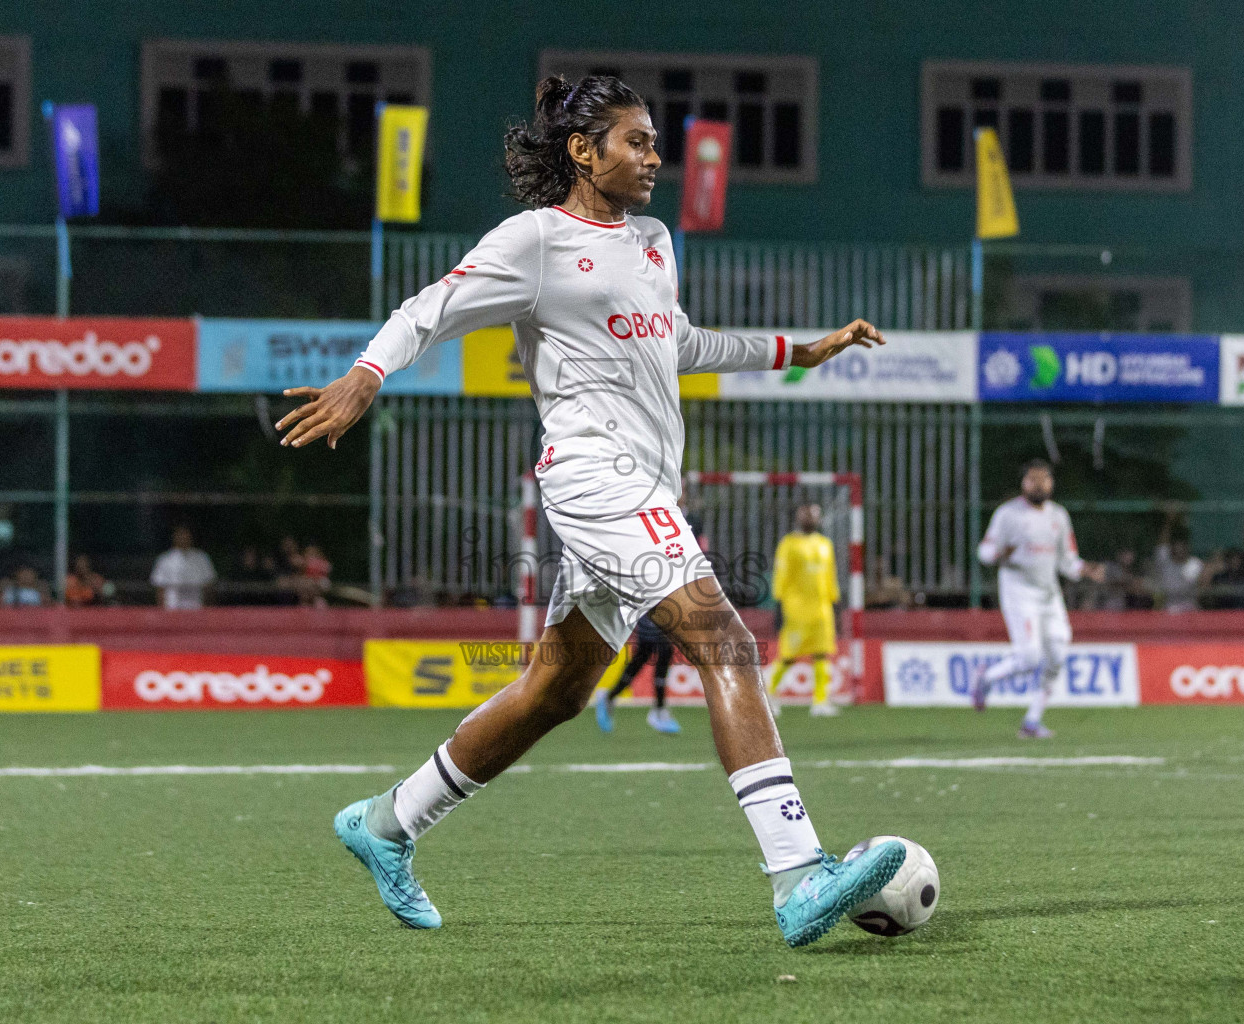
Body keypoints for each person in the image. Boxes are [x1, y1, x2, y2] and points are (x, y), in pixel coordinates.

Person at [275, 74, 903, 948]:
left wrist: (805, 348)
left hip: (644, 482)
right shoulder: (535, 241)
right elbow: (429, 309)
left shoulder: (650, 239)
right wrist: (364, 375)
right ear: (583, 150)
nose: (655, 158)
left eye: (654, 142)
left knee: (555, 691)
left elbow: (680, 342)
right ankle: (800, 874)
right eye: (637, 142)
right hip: (593, 477)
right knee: (724, 639)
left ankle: (387, 821)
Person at [972, 460, 1105, 739]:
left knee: (1057, 654)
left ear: (1051, 483)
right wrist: (999, 554)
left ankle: (1032, 721)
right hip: (1019, 593)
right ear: (1023, 483)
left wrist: (1085, 569)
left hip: (1049, 594)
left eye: (1044, 480)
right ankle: (985, 678)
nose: (1039, 485)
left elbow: (1066, 560)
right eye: (1033, 480)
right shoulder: (1008, 515)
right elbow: (984, 552)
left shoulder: (1058, 515)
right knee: (1030, 657)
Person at [765, 503, 842, 718]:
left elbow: (830, 576)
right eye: (806, 514)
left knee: (821, 653)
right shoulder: (789, 544)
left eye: (814, 514)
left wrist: (835, 604)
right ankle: (768, 696)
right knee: (788, 655)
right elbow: (781, 575)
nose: (810, 518)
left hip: (822, 608)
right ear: (799, 517)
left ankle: (820, 702)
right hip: (796, 609)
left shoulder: (825, 544)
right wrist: (779, 604)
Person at [594, 613, 680, 734]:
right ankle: (659, 712)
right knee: (660, 650)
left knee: (645, 656)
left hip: (657, 611)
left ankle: (609, 697)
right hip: (650, 610)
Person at [149, 526, 216, 610]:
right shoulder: (165, 559)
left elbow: (209, 584)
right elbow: (160, 587)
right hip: (172, 607)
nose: (183, 538)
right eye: (180, 535)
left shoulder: (201, 558)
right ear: (175, 537)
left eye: (185, 535)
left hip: (196, 606)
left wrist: (207, 609)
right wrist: (162, 610)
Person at [1152, 511, 1203, 613]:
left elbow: (1204, 581)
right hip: (1168, 607)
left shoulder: (1195, 564)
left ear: (1187, 548)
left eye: (1182, 547)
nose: (1180, 550)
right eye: (1177, 547)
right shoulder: (1165, 562)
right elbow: (1162, 544)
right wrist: (1169, 520)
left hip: (1189, 607)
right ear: (1172, 548)